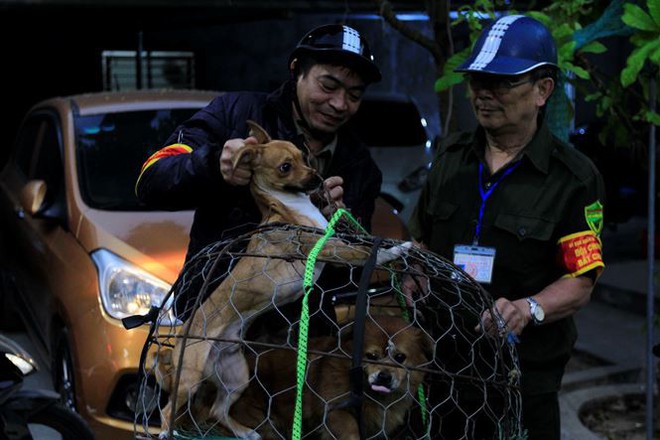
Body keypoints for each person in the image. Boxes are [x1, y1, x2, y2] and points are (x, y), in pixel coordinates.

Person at [407, 15, 605, 440]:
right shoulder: (451, 157)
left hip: (522, 378)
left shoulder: (572, 177)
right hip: (441, 367)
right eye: (478, 80)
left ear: (543, 90)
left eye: (501, 82)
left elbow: (581, 280)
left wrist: (527, 308)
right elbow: (420, 240)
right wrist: (414, 271)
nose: (483, 93)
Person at [135, 24, 383, 328]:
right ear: (297, 71)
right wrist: (214, 165)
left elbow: (352, 275)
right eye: (328, 86)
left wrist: (338, 224)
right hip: (213, 321)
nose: (339, 104)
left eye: (354, 94)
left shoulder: (359, 166)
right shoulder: (233, 113)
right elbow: (151, 180)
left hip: (299, 338)